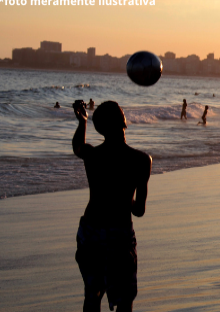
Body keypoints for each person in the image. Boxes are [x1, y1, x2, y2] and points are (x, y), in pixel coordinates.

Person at [71, 100, 152, 312]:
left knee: (93, 294)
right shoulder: (142, 160)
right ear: (124, 122)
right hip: (119, 234)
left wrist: (82, 123)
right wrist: (125, 198)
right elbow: (139, 210)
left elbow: (77, 147)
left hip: (91, 231)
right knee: (124, 300)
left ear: (101, 129)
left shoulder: (92, 155)